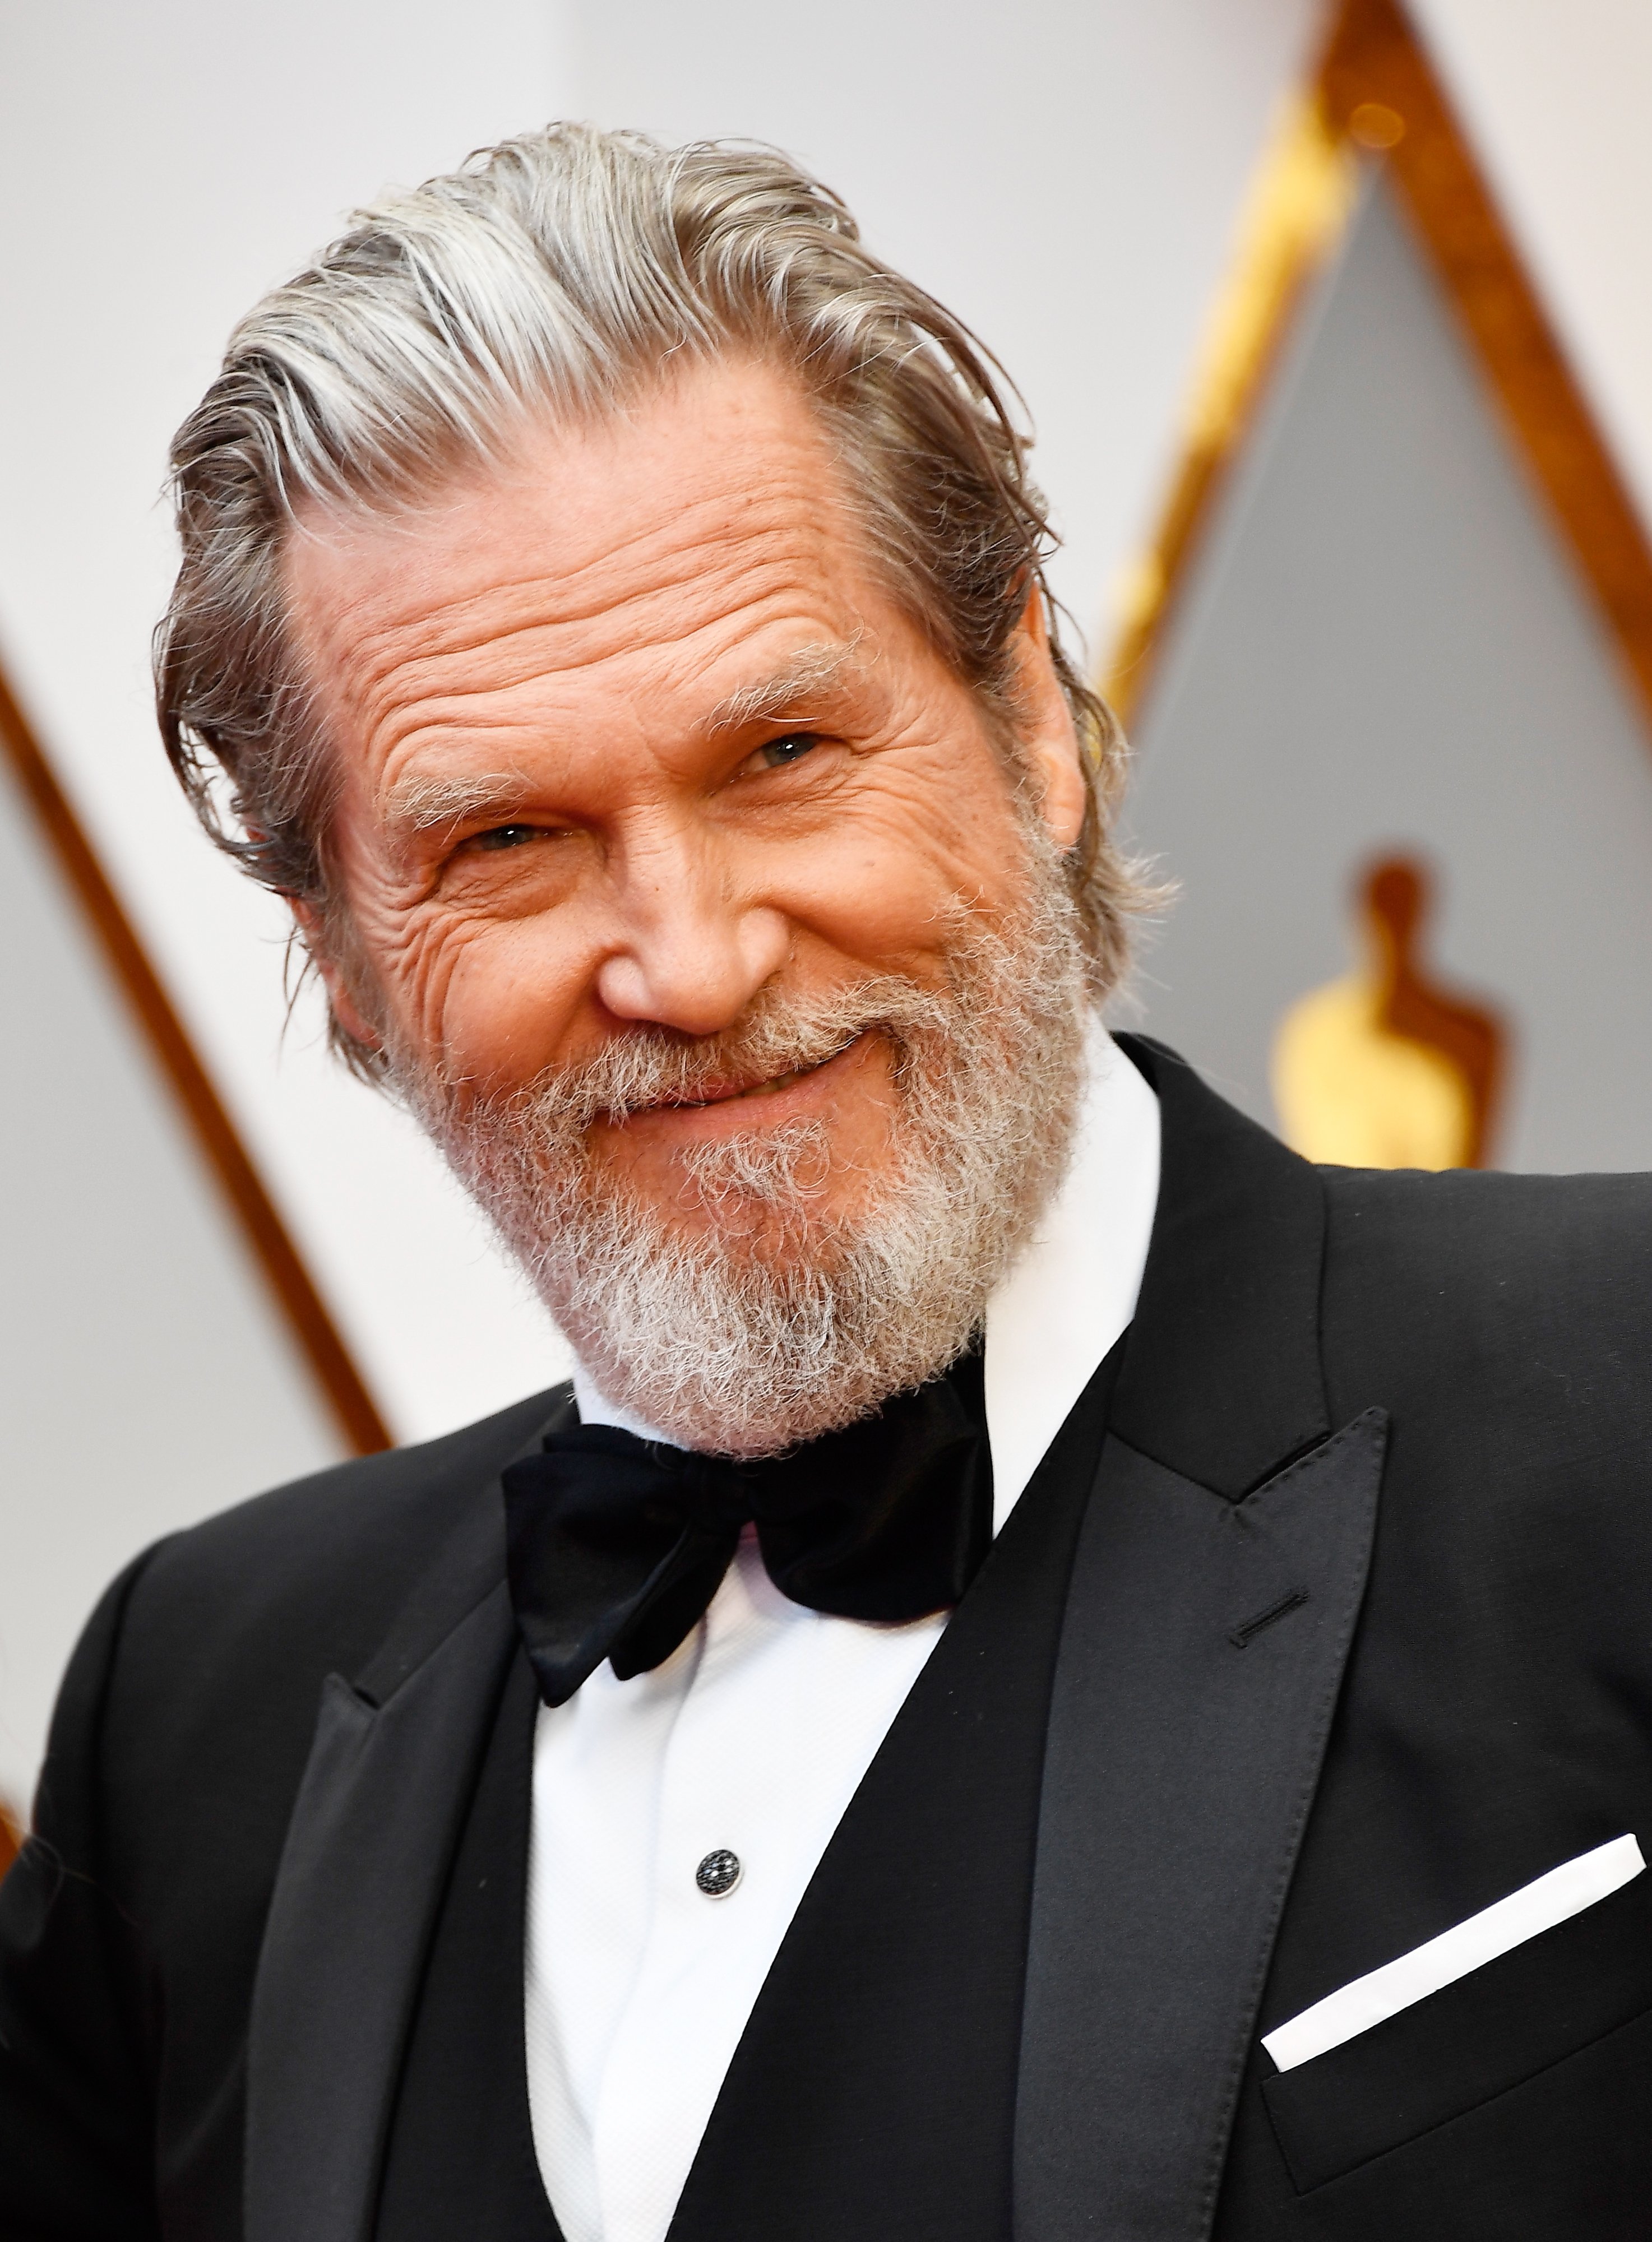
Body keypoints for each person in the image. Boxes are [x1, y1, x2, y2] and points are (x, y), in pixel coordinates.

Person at [2, 123, 1649, 2242]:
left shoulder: (1617, 1427)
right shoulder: (197, 1701)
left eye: (781, 754)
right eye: (505, 841)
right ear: (341, 965)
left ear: (1031, 719)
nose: (686, 963)